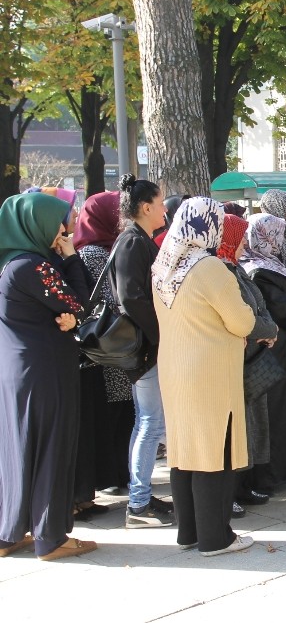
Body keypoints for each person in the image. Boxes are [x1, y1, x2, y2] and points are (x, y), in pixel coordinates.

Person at [152, 197, 257, 556]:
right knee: (215, 449)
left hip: (174, 366)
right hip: (209, 368)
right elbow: (242, 320)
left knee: (184, 449)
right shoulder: (209, 267)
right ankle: (216, 537)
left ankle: (189, 532)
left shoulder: (163, 265)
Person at [0, 192, 96, 561]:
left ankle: (10, 533)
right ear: (38, 224)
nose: (66, 227)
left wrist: (70, 313)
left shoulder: (11, 263)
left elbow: (68, 308)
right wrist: (71, 258)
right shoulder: (33, 266)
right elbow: (80, 302)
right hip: (45, 371)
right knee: (52, 450)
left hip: (19, 370)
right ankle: (51, 537)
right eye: (60, 220)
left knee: (19, 451)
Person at [110, 175, 174, 529]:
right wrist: (161, 334)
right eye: (161, 202)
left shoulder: (138, 240)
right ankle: (137, 505)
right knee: (150, 424)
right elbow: (131, 298)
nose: (164, 208)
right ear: (146, 207)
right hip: (146, 349)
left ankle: (142, 497)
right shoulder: (133, 242)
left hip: (148, 348)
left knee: (149, 423)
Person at [242, 214, 286, 484]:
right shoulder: (258, 270)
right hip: (274, 349)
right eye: (276, 234)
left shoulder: (270, 263)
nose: (280, 240)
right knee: (278, 409)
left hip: (284, 347)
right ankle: (275, 471)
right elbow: (281, 309)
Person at [74, 191, 132, 519]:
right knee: (115, 412)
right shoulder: (94, 253)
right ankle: (112, 474)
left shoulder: (106, 248)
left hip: (114, 342)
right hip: (109, 343)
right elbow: (109, 295)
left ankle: (116, 473)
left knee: (121, 412)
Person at [217, 214, 278, 512]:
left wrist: (270, 329)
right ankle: (230, 492)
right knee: (238, 427)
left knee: (254, 424)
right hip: (234, 360)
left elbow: (259, 306)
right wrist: (266, 330)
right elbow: (243, 317)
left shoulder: (236, 268)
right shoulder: (219, 272)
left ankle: (246, 484)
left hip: (252, 357)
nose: (244, 242)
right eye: (239, 237)